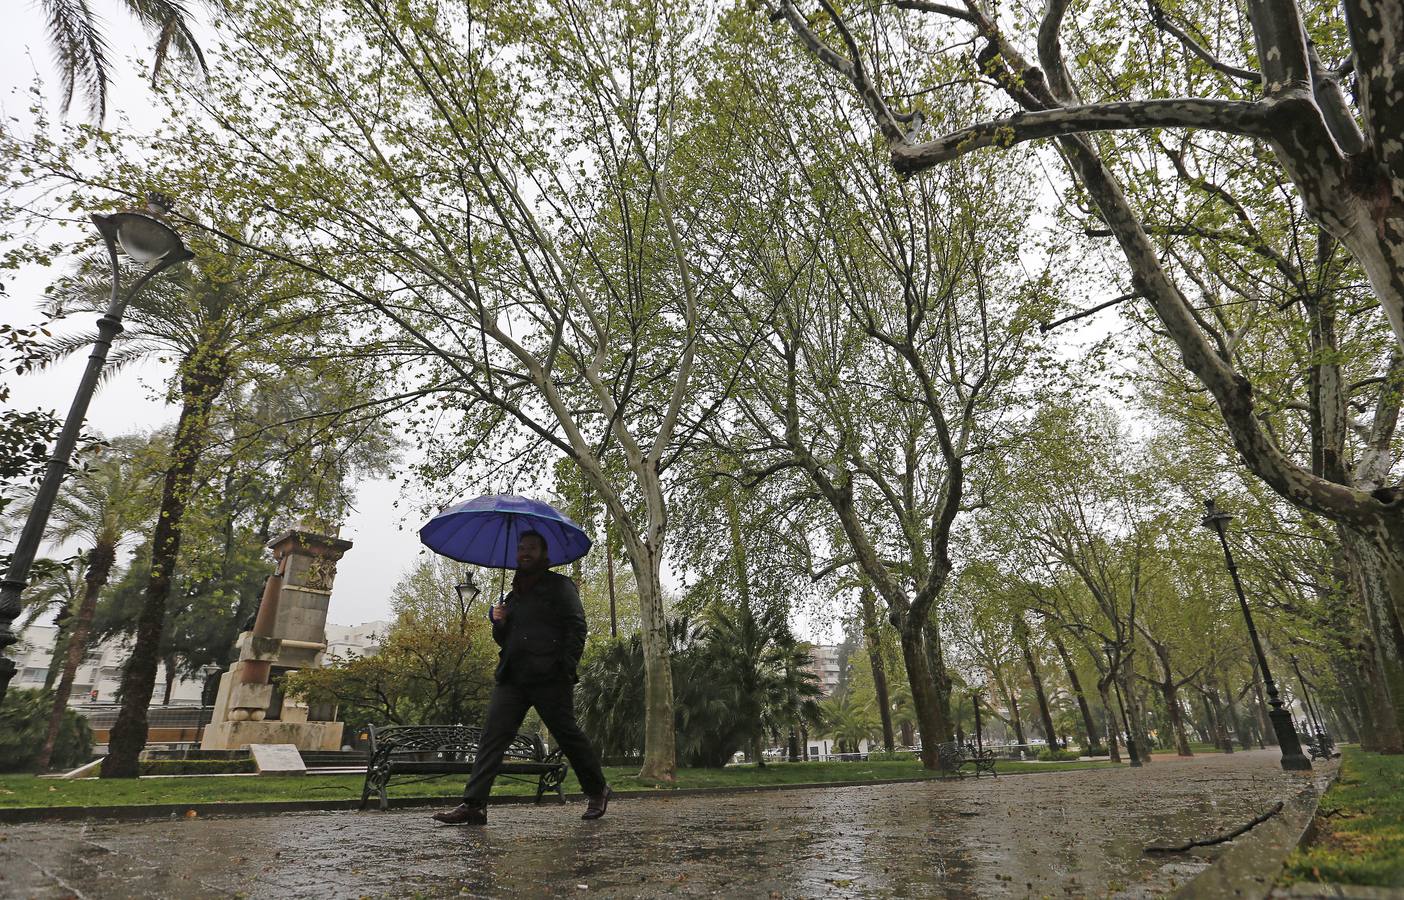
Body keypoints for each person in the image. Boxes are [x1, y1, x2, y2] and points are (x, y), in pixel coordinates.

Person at [433, 530, 612, 825]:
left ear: (543, 554)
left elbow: (577, 627)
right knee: (493, 737)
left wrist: (566, 667)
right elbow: (505, 639)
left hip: (550, 676)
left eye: (531, 548)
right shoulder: (512, 595)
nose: (524, 553)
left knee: (567, 735)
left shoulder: (560, 586)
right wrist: (498, 622)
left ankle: (597, 789)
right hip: (513, 676)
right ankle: (474, 804)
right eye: (521, 548)